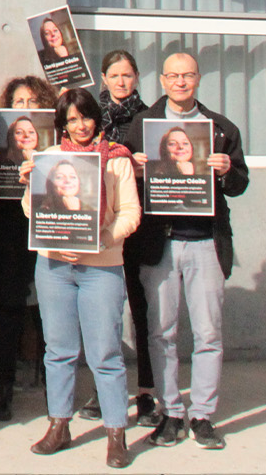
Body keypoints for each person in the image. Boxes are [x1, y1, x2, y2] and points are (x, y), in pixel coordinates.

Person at [123, 53, 248, 452]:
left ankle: (203, 415)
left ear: (197, 79)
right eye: (173, 76)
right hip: (159, 242)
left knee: (209, 333)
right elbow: (116, 180)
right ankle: (171, 412)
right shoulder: (142, 126)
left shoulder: (221, 128)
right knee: (161, 332)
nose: (180, 82)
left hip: (206, 242)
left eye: (188, 75)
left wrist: (227, 169)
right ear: (162, 80)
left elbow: (240, 183)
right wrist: (134, 169)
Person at [22, 89, 141, 469]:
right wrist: (30, 182)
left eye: (85, 117)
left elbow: (130, 213)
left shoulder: (116, 160)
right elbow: (31, 212)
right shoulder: (50, 159)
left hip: (101, 267)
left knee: (105, 352)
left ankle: (115, 433)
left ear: (97, 118)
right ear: (62, 124)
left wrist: (98, 241)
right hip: (54, 267)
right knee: (58, 350)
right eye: (71, 119)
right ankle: (59, 425)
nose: (80, 125)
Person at [0, 75, 57, 422]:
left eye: (32, 102)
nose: (25, 109)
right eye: (18, 102)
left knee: (49, 313)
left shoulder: (56, 144)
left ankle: (55, 387)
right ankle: (3, 389)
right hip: (7, 230)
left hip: (47, 226)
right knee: (7, 314)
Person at [96, 50, 155, 425]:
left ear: (136, 78)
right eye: (115, 75)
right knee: (104, 310)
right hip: (100, 224)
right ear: (103, 78)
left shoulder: (150, 118)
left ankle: (146, 389)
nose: (121, 82)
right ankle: (104, 392)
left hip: (136, 222)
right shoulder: (89, 116)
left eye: (128, 75)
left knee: (141, 307)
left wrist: (147, 167)